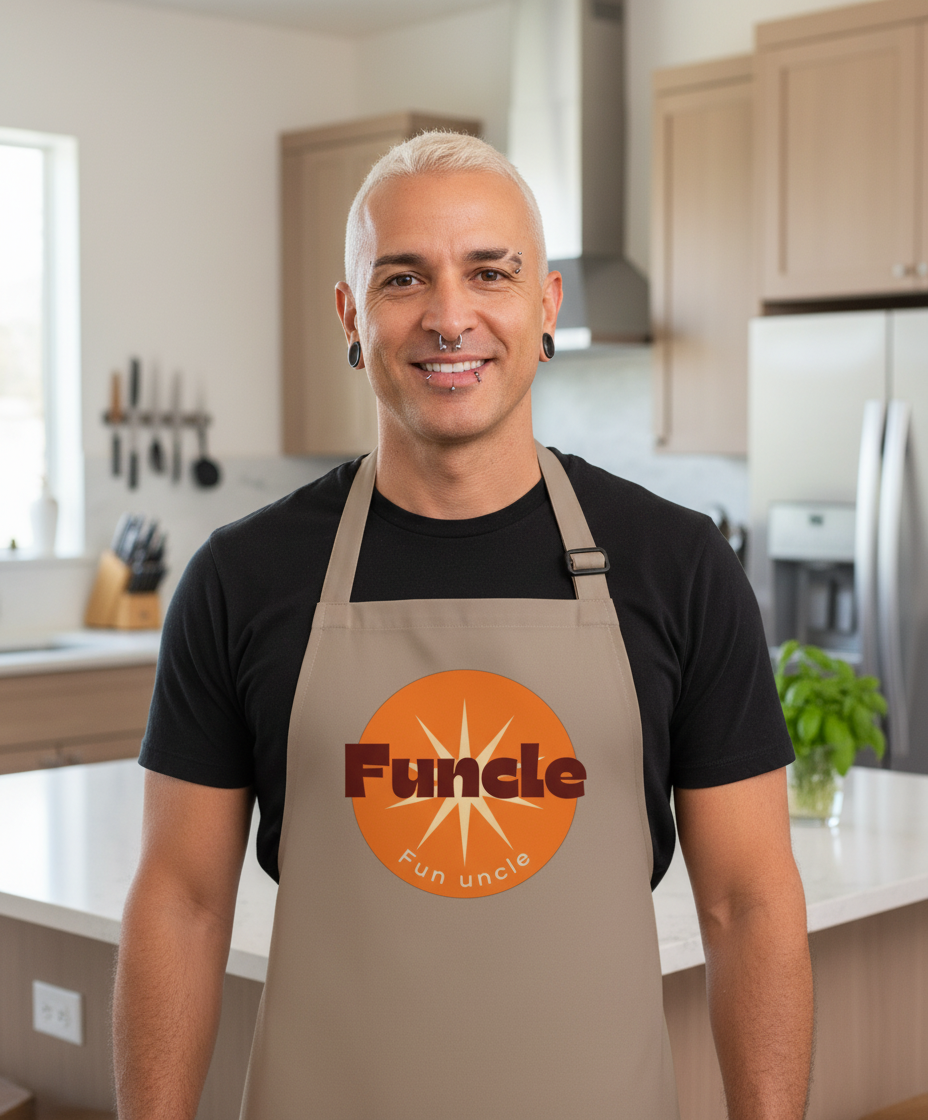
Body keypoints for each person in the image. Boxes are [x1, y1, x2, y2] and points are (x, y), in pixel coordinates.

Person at [113, 132, 812, 1119]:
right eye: (404, 277)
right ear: (352, 314)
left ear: (545, 307)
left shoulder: (678, 566)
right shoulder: (242, 577)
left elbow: (750, 906)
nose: (450, 317)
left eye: (490, 272)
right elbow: (179, 902)